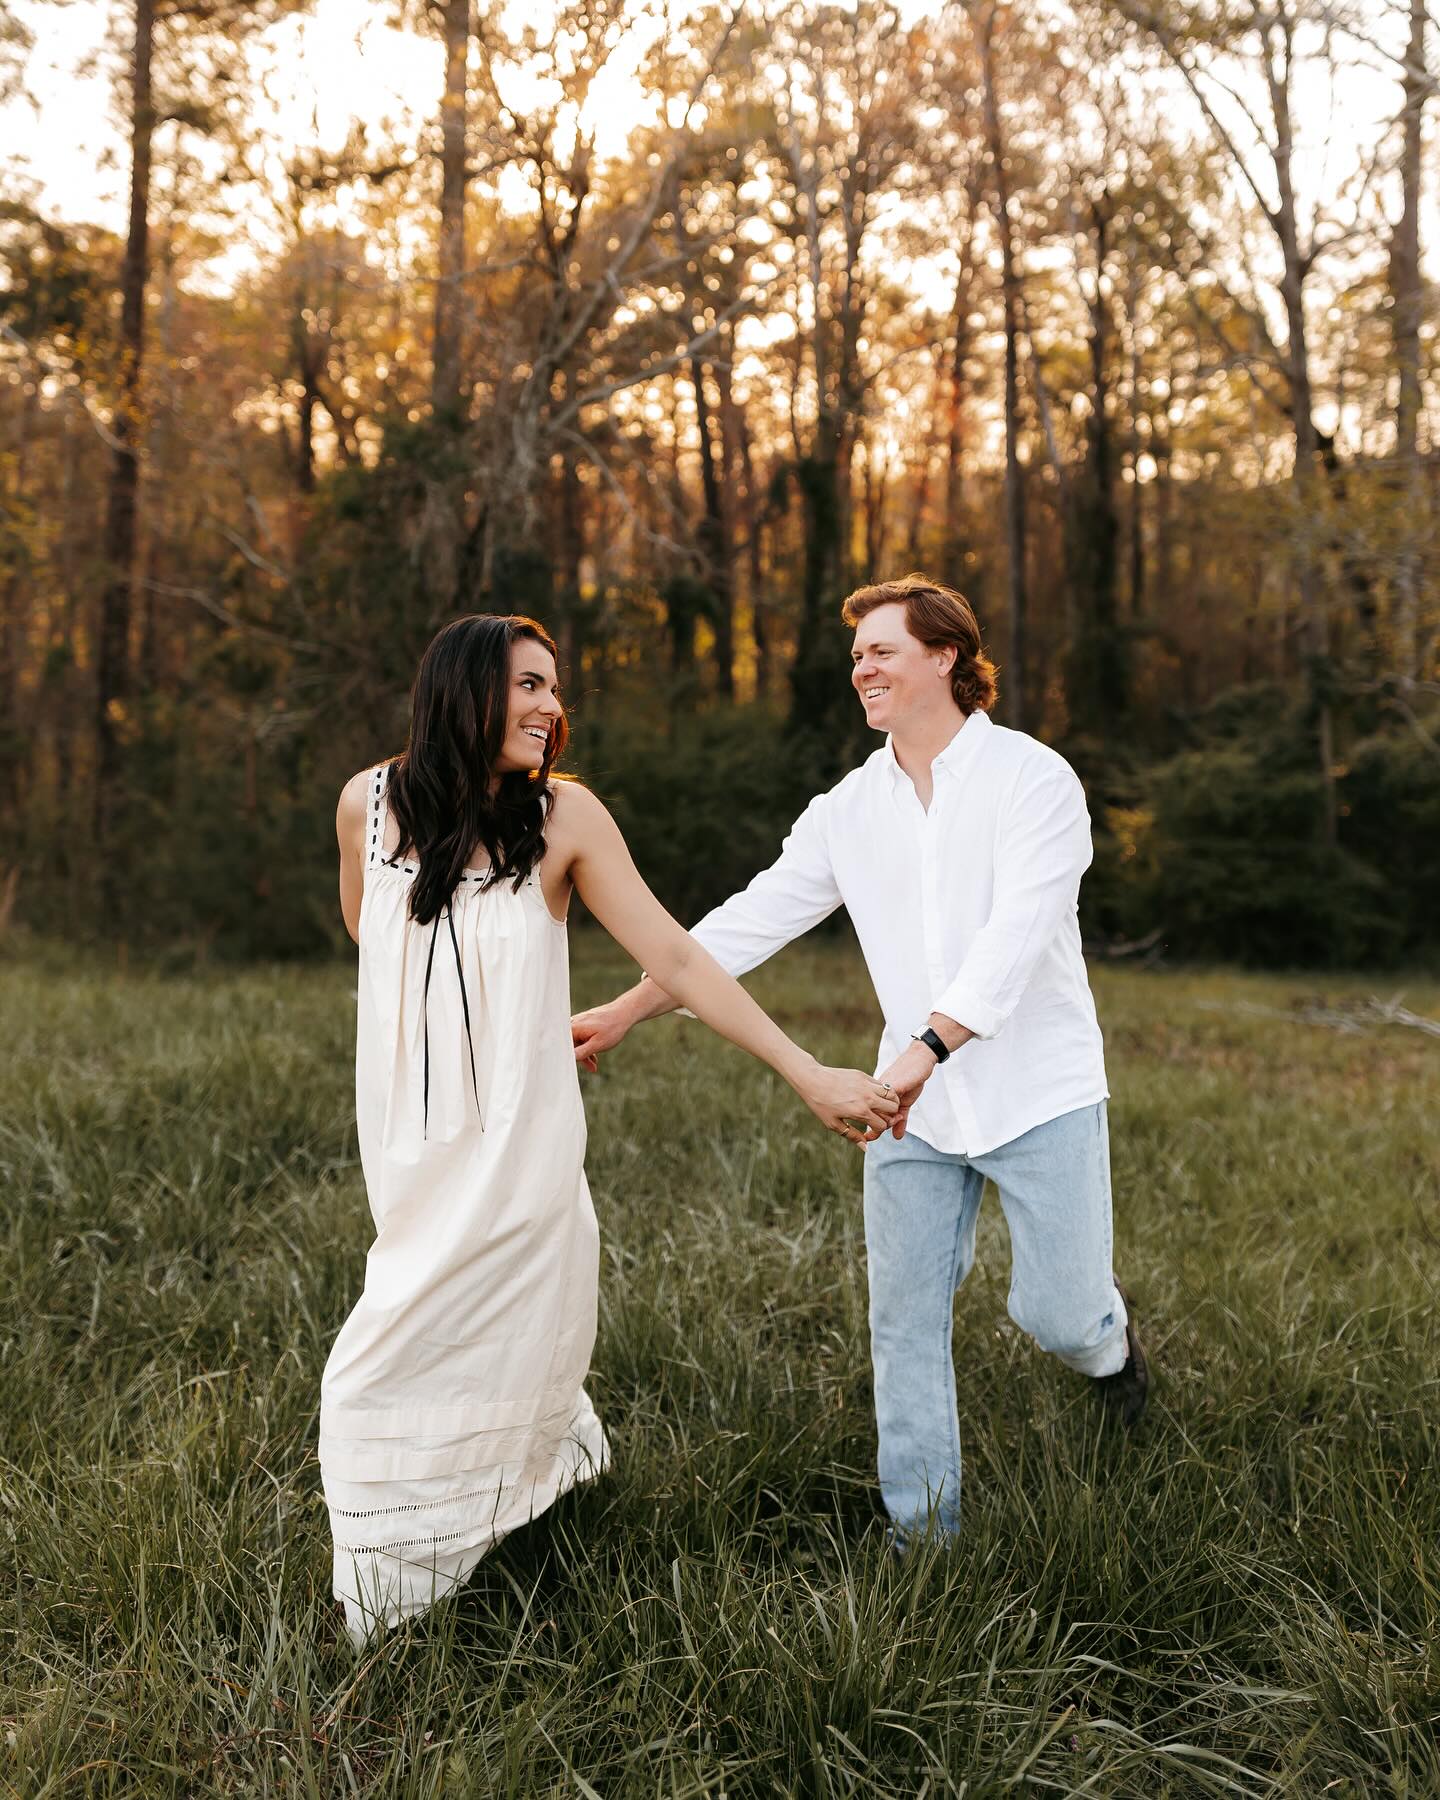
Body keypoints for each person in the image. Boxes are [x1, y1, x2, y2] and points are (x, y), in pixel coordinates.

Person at [322, 612, 896, 1643]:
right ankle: (537, 1486)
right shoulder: (365, 805)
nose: (552, 706)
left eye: (554, 687)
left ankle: (386, 1607)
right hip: (411, 1141)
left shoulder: (567, 820)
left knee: (382, 1368)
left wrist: (807, 1072)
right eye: (530, 685)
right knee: (429, 1321)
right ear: (462, 688)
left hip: (519, 1143)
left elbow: (676, 959)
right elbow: (374, 942)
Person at [572, 573, 1150, 1548]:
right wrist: (632, 1009)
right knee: (904, 1320)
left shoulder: (1034, 781)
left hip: (1037, 1092)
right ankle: (925, 1538)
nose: (862, 668)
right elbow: (746, 922)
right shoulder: (847, 810)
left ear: (946, 656)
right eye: (856, 657)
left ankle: (1110, 1350)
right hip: (907, 1109)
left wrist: (931, 1045)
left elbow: (1014, 942)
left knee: (1059, 1315)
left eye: (881, 649)